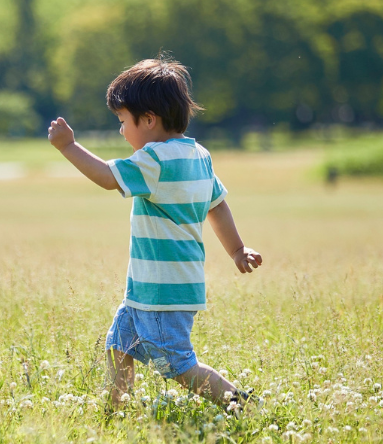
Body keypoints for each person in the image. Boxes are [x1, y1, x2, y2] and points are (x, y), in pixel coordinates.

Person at [47, 56, 263, 411]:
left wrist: (68, 147)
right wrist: (237, 249)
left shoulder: (155, 160)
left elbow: (106, 176)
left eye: (122, 121)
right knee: (120, 345)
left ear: (149, 120)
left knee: (179, 366)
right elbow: (218, 204)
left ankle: (240, 404)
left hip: (162, 291)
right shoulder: (199, 154)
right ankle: (116, 410)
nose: (121, 131)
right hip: (151, 289)